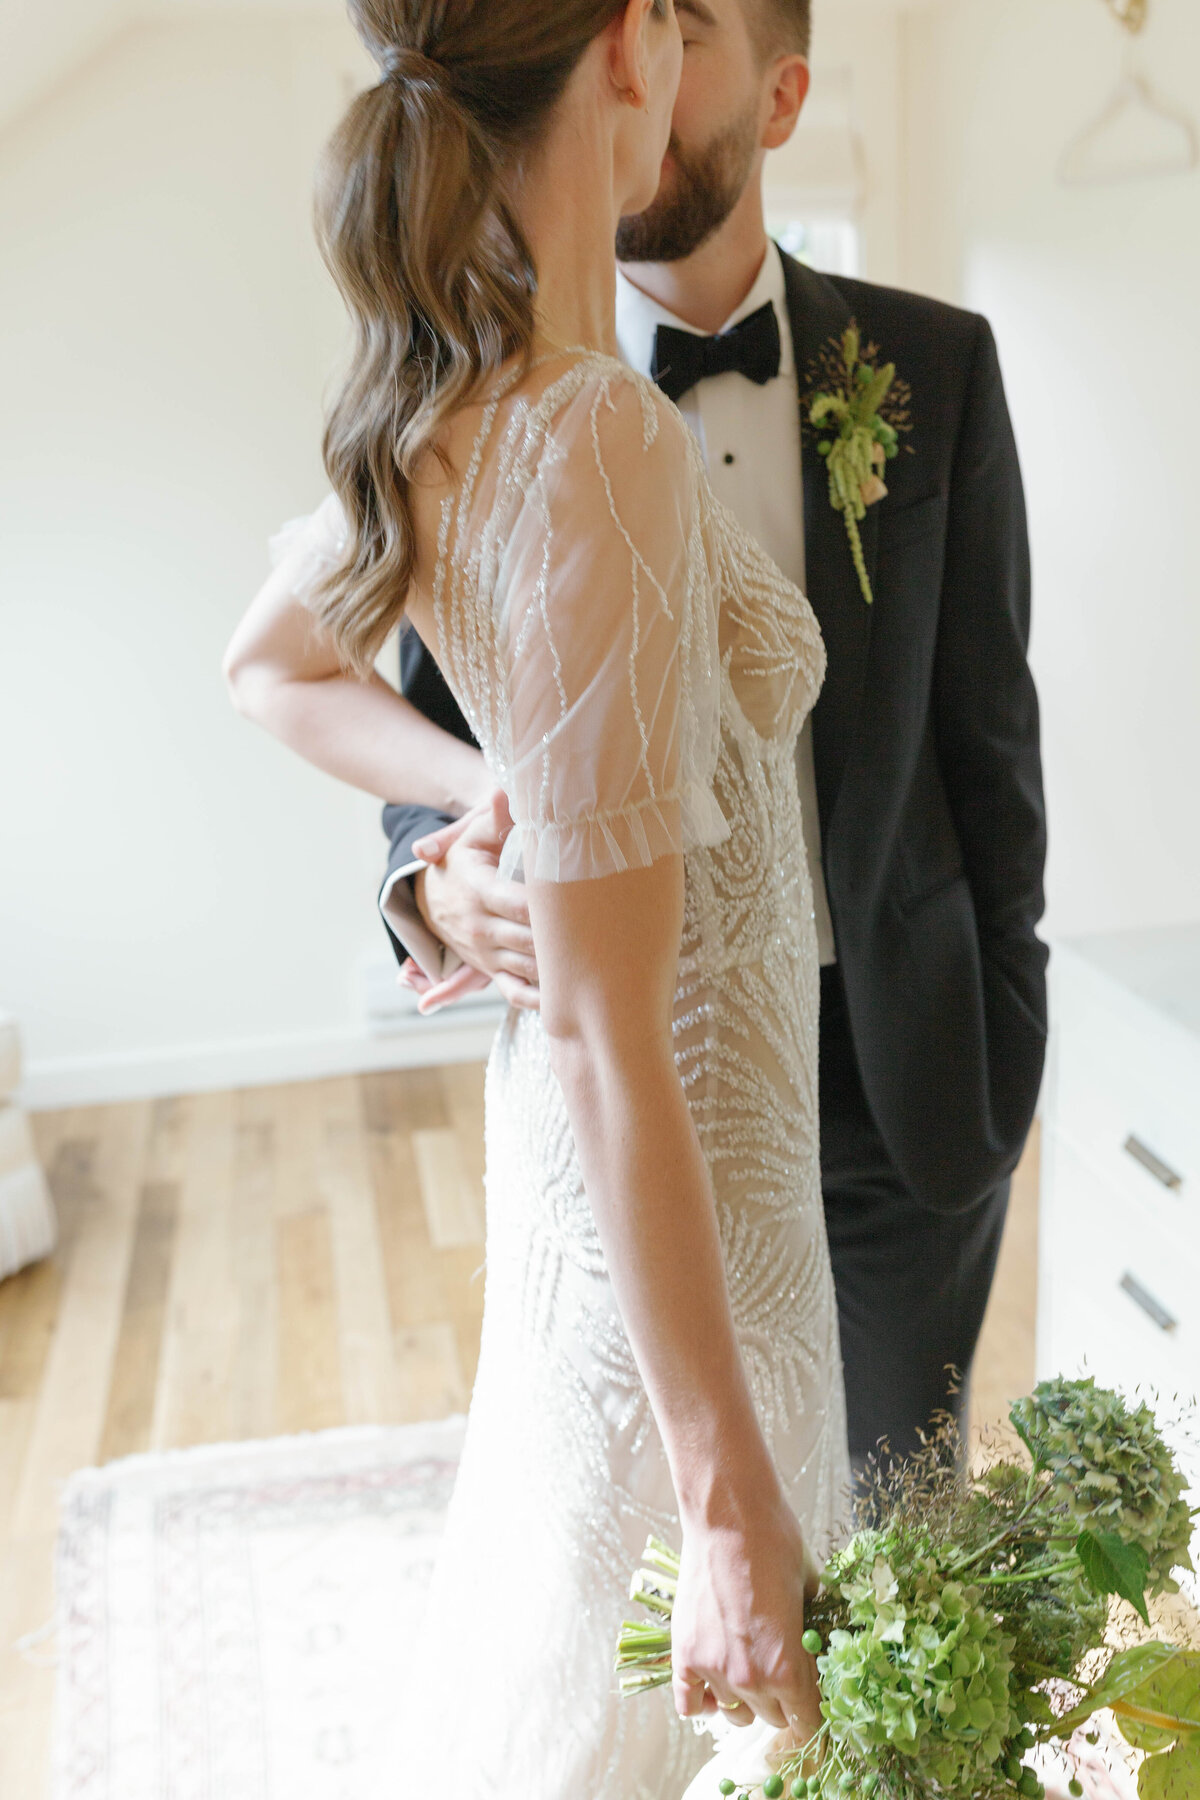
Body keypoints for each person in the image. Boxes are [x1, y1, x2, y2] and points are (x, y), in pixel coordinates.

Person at [223, 0, 849, 1792]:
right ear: (635, 50)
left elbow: (266, 667)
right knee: (648, 1691)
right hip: (689, 1199)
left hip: (644, 1191)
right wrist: (728, 1501)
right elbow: (595, 1022)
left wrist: (482, 782)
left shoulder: (451, 398)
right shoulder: (595, 436)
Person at [381, 0, 1048, 1476]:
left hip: (905, 1077)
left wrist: (1003, 1049)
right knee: (667, 1550)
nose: (643, 73)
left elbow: (994, 749)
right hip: (633, 1078)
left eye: (684, 33)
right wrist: (431, 889)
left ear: (782, 95)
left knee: (890, 1536)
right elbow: (427, 732)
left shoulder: (935, 369)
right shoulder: (490, 396)